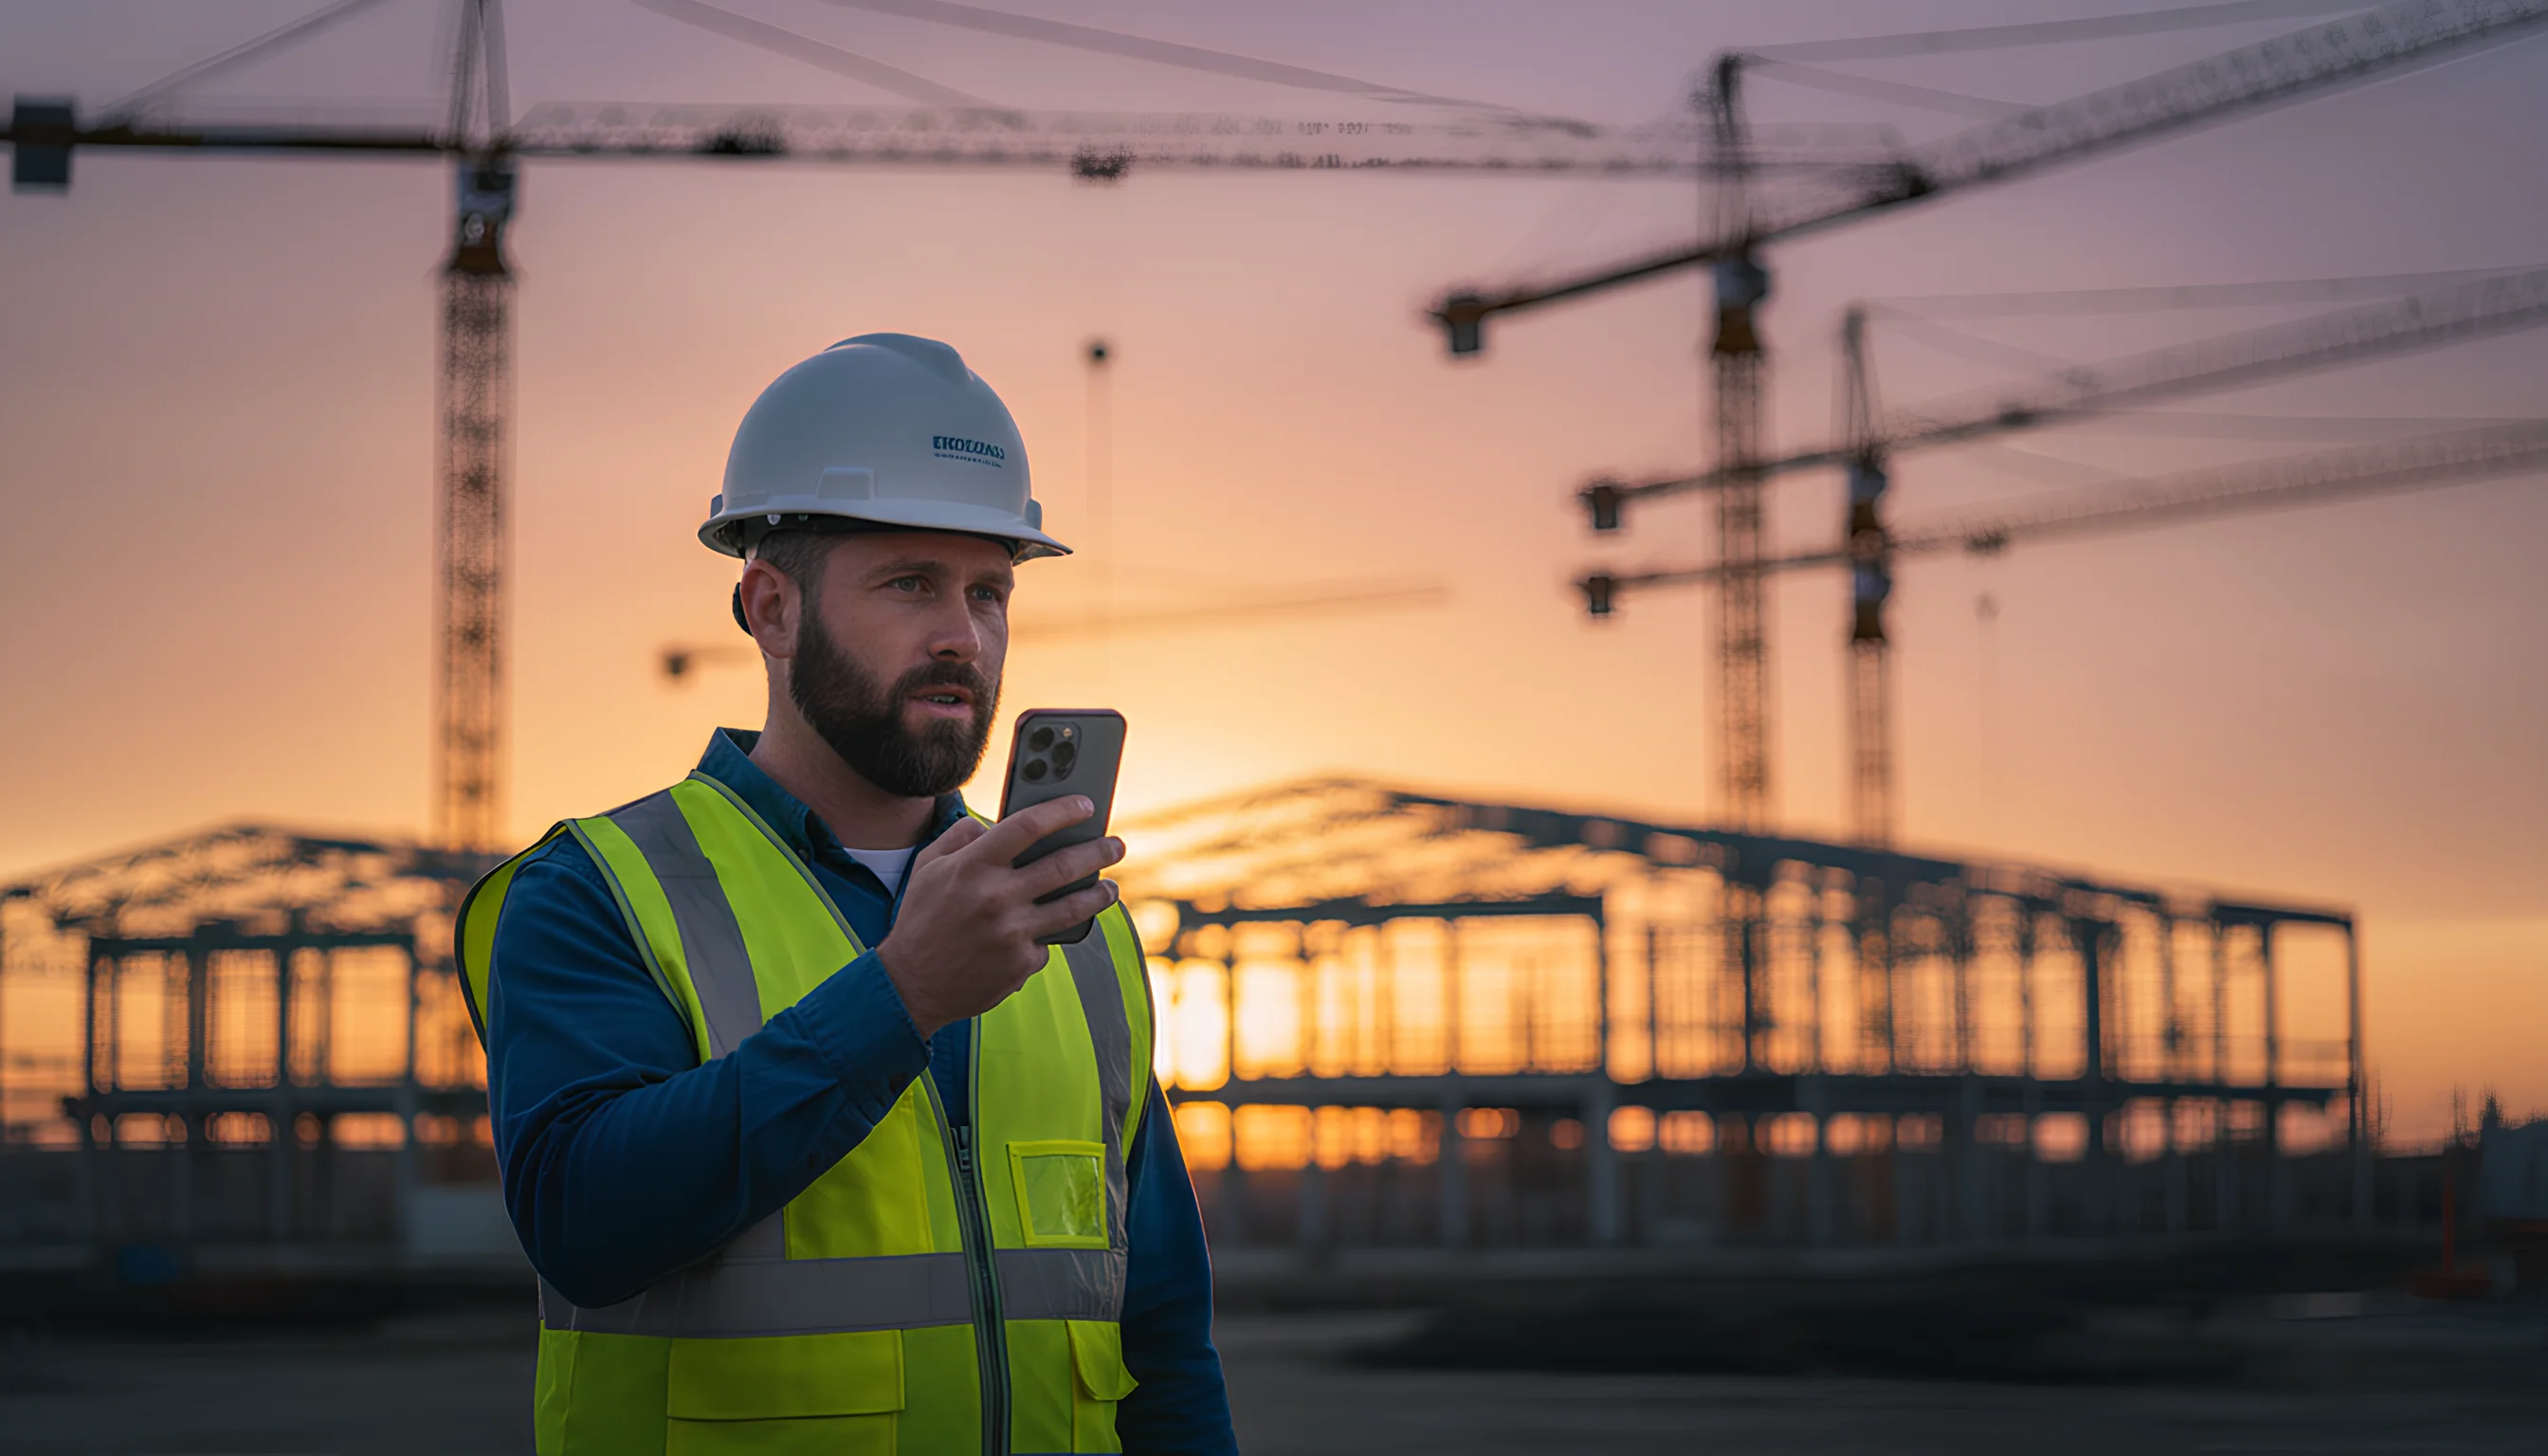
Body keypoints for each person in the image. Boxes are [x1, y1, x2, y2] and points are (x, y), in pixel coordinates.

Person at [455, 334, 1237, 1455]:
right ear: (771, 609)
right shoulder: (595, 893)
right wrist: (902, 996)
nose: (962, 635)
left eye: (988, 591)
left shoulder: (1071, 926)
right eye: (910, 583)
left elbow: (1159, 1332)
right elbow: (584, 1224)